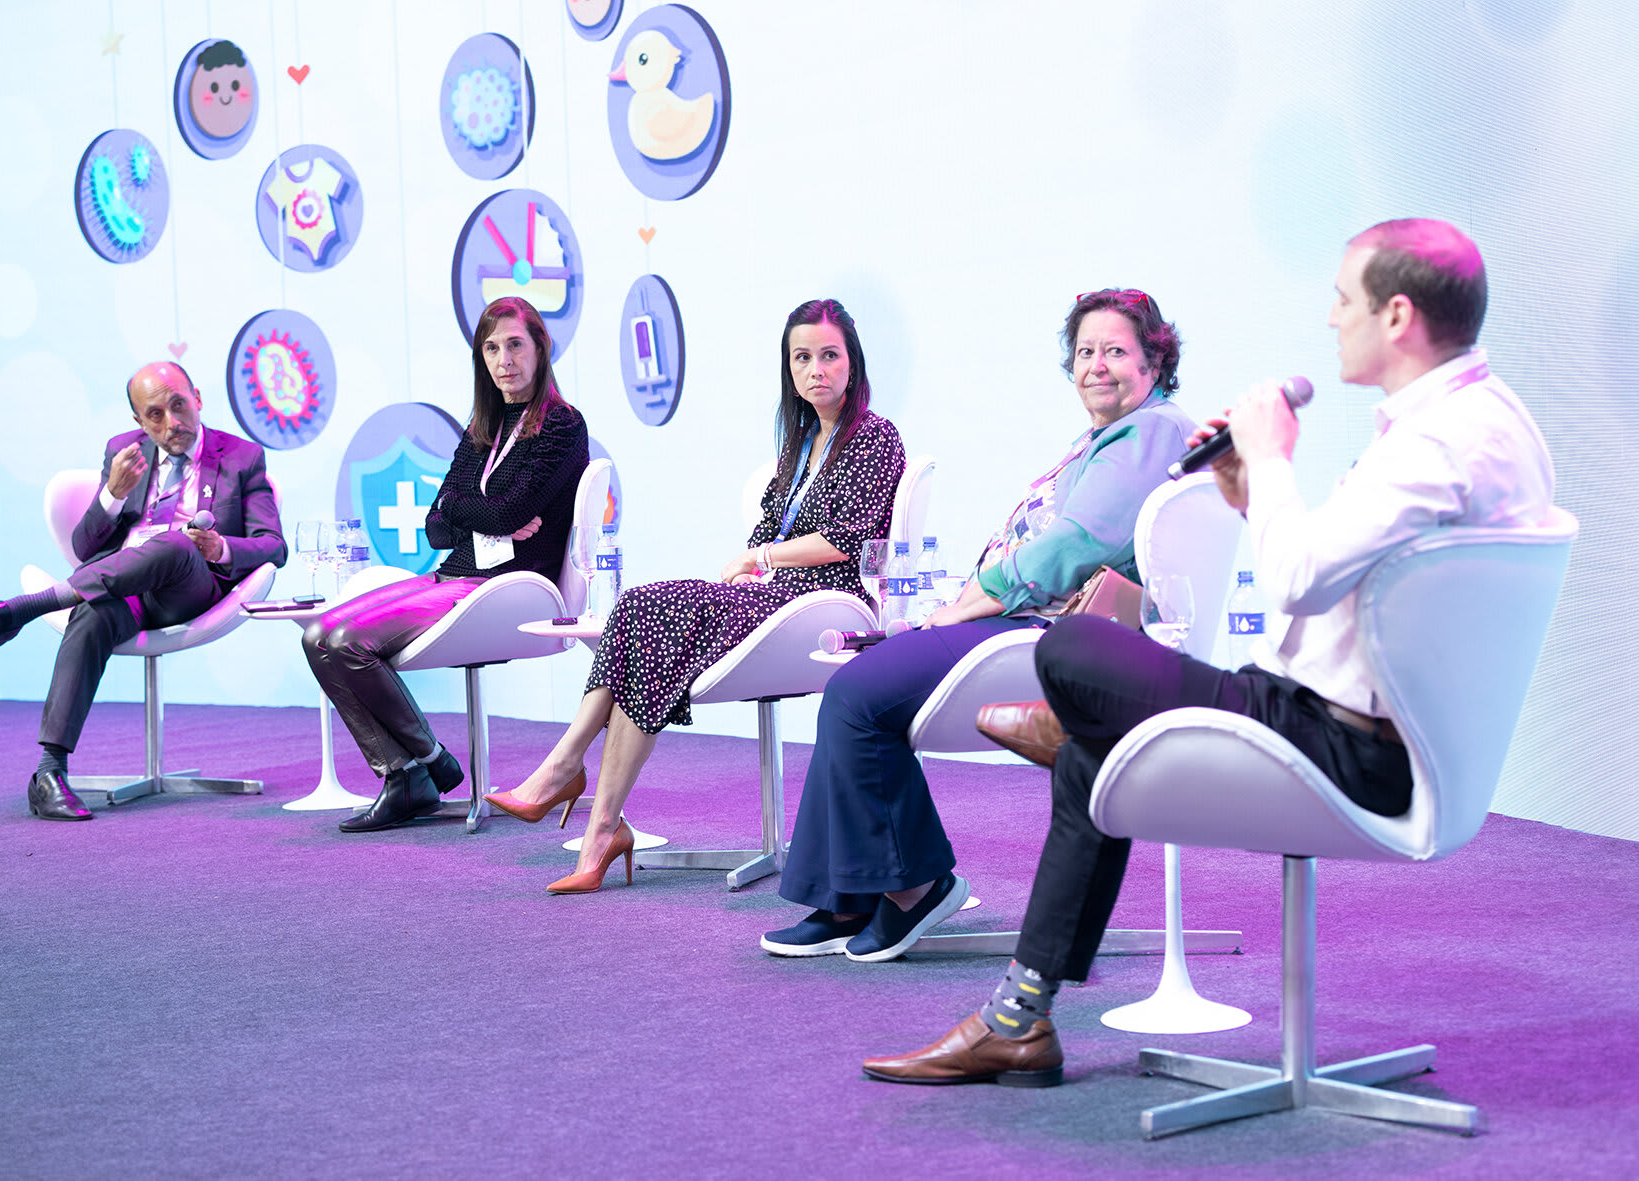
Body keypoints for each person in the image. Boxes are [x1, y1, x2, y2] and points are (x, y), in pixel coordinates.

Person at [861, 219, 1556, 1088]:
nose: (1331, 316)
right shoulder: (1484, 421)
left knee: (1073, 648)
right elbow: (1345, 567)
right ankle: (1018, 1019)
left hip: (1346, 744)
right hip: (1339, 718)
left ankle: (1079, 731)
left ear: (1398, 316)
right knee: (1088, 757)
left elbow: (1298, 579)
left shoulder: (1436, 445)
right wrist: (1247, 489)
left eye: (1344, 299)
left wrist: (1270, 460)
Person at [760, 289, 1198, 963]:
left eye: (1115, 350)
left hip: (1051, 638)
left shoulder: (1152, 431)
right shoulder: (1115, 435)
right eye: (1085, 351)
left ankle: (914, 886)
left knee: (856, 693)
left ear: (1155, 359)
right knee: (858, 683)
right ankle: (848, 894)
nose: (1096, 365)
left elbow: (1076, 543)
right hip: (1030, 621)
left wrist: (975, 598)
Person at [486, 298, 907, 894]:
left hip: (825, 602)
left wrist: (759, 559)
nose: (815, 370)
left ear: (853, 362)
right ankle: (598, 823)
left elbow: (847, 539)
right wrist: (758, 559)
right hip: (772, 595)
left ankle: (566, 774)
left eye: (829, 356)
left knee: (651, 613)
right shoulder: (802, 440)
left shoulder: (875, 436)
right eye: (801, 358)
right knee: (640, 608)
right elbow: (769, 530)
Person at [0, 361, 287, 821]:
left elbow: (273, 544)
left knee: (174, 543)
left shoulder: (242, 456)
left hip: (190, 588)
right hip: (124, 589)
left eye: (179, 405)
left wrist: (220, 547)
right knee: (91, 611)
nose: (173, 422)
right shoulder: (123, 451)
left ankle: (26, 609)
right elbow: (85, 549)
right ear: (139, 421)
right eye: (156, 415)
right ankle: (49, 774)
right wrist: (111, 494)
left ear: (198, 398)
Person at [302, 296, 588, 833]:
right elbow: (436, 525)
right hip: (454, 575)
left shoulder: (562, 426)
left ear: (540, 348)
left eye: (515, 345)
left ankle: (417, 770)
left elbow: (502, 512)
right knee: (318, 635)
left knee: (347, 642)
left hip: (508, 587)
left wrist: (472, 511)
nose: (504, 360)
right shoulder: (484, 426)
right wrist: (482, 516)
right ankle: (416, 767)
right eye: (492, 348)